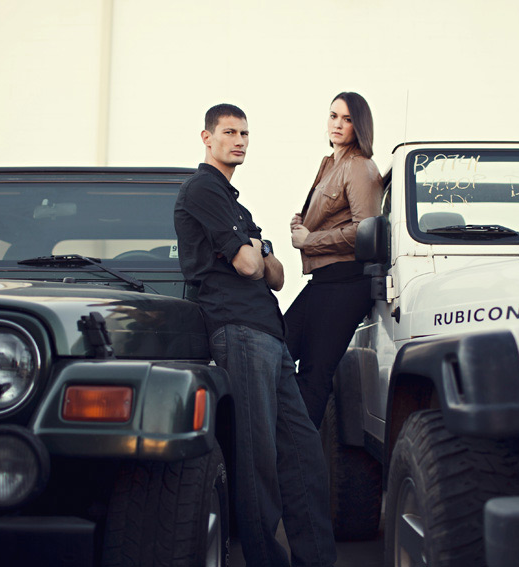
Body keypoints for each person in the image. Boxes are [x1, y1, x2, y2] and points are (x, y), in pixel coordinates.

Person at [174, 103, 336, 567]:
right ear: (207, 138)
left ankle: (318, 561)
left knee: (305, 455)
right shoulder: (202, 189)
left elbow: (278, 274)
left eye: (245, 132)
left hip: (270, 334)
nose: (240, 140)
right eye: (229, 132)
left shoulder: (235, 204)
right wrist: (255, 252)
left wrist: (256, 250)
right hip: (238, 332)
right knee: (258, 463)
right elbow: (250, 265)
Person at [285, 92, 383, 429]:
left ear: (360, 125)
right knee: (278, 351)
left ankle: (300, 462)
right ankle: (281, 444)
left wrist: (309, 241)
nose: (338, 124)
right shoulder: (331, 164)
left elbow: (364, 230)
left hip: (346, 281)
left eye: (347, 118)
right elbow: (327, 216)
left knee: (314, 374)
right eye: (333, 116)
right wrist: (301, 225)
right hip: (324, 281)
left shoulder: (359, 167)